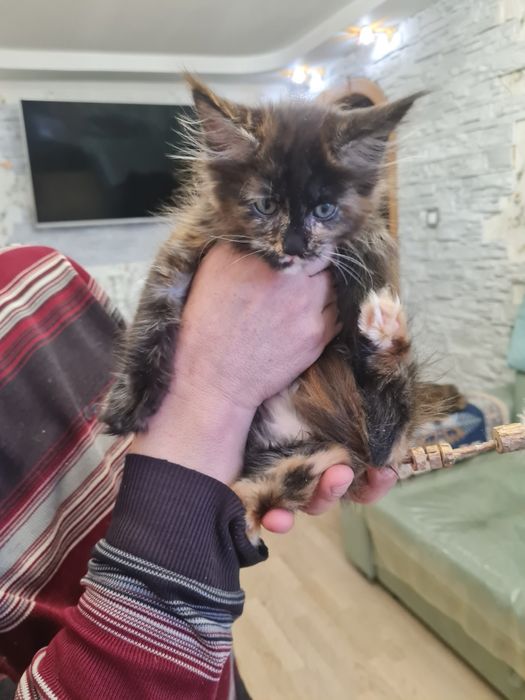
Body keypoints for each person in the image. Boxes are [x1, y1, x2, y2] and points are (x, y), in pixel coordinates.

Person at [0, 243, 397, 699]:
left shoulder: (45, 276)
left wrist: (285, 436)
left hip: (206, 643)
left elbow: (146, 453)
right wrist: (216, 390)